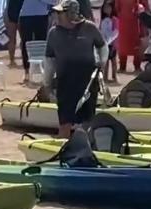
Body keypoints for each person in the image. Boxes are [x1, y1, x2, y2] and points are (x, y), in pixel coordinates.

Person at [44, 0, 106, 137]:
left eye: (60, 13)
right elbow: (49, 60)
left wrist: (102, 61)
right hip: (65, 82)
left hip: (87, 81)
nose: (56, 16)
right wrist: (47, 83)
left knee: (87, 120)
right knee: (65, 121)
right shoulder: (53, 33)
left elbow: (102, 45)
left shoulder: (89, 28)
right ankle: (63, 147)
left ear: (71, 14)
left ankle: (85, 147)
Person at [16, 0, 51, 83]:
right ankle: (26, 71)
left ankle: (43, 71)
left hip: (42, 15)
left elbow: (53, 2)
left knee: (42, 43)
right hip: (26, 14)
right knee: (26, 43)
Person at [113, 0, 145, 73]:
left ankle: (124, 67)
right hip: (129, 21)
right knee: (128, 44)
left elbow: (117, 8)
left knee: (128, 44)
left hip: (127, 22)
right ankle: (132, 67)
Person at [100, 0, 118, 82]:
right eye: (106, 8)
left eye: (109, 8)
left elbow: (116, 31)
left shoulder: (114, 19)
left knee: (114, 61)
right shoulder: (102, 20)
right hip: (105, 42)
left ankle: (114, 76)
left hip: (112, 42)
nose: (107, 9)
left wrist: (113, 41)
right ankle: (105, 77)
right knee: (106, 61)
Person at [6, 0, 22, 66]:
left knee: (11, 39)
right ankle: (25, 59)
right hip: (21, 11)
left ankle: (11, 60)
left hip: (11, 11)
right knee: (24, 38)